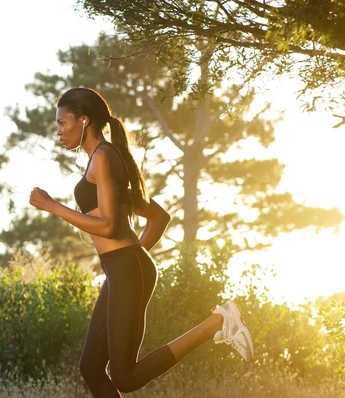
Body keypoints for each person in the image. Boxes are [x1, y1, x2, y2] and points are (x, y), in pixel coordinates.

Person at [28, 87, 254, 396]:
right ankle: (213, 319)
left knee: (124, 376)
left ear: (83, 120)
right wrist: (131, 263)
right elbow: (159, 217)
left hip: (125, 268)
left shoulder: (104, 157)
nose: (58, 131)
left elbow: (107, 226)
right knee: (91, 368)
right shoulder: (102, 158)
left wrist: (52, 206)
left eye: (62, 123)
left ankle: (217, 322)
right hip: (122, 269)